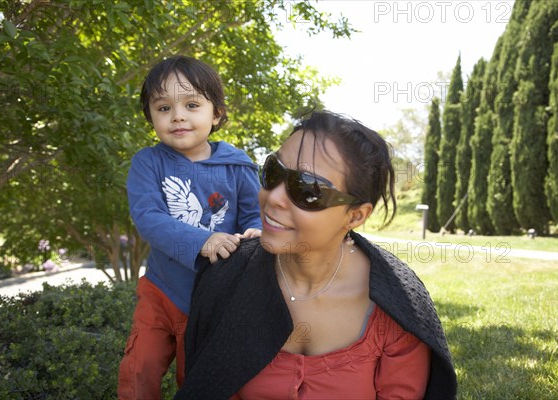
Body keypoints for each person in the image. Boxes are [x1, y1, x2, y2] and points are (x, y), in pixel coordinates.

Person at [175, 111, 457, 399]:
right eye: (273, 172)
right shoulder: (226, 276)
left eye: (308, 190)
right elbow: (203, 383)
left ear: (355, 215)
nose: (273, 198)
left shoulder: (396, 304)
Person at [118, 55, 262, 400]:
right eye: (164, 108)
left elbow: (254, 216)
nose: (178, 115)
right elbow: (149, 218)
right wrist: (204, 240)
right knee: (140, 368)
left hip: (213, 298)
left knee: (198, 377)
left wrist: (256, 232)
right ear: (151, 117)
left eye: (192, 104)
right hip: (161, 290)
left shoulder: (238, 166)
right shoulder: (148, 163)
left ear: (216, 114)